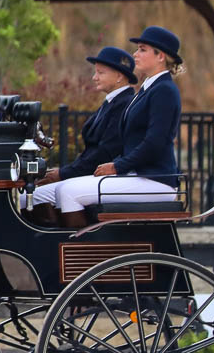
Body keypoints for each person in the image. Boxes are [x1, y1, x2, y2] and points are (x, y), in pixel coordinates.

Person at [34, 25, 184, 227]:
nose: (135, 54)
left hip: (156, 180)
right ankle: (72, 249)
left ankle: (84, 254)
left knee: (68, 192)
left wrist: (117, 166)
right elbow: (132, 142)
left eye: (142, 49)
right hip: (138, 176)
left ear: (161, 56)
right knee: (63, 190)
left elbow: (155, 143)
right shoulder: (148, 89)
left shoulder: (164, 90)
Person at [28, 45, 137, 220]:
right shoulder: (112, 103)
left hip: (105, 174)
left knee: (34, 197)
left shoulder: (124, 105)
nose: (94, 78)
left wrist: (64, 173)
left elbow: (104, 153)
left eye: (101, 73)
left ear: (119, 76)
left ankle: (69, 243)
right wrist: (64, 171)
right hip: (91, 172)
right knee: (31, 195)